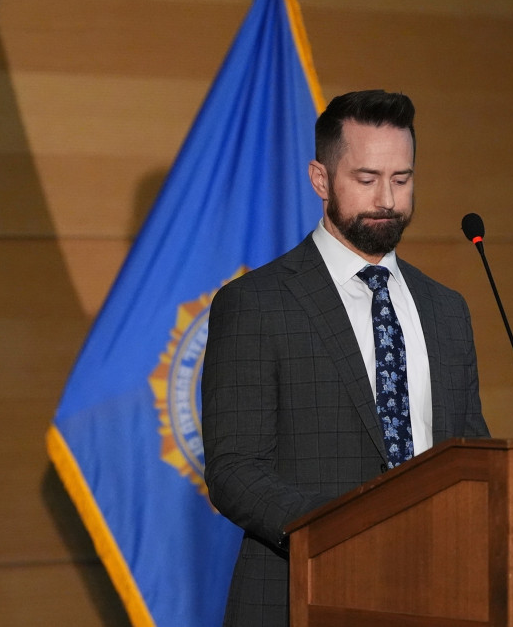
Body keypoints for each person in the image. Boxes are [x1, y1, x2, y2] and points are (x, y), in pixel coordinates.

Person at [201, 89, 490, 627]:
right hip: (303, 595)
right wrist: (353, 533)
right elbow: (235, 471)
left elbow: (470, 454)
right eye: (367, 178)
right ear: (320, 179)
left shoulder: (447, 309)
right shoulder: (256, 303)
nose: (387, 199)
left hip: (439, 596)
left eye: (401, 179)